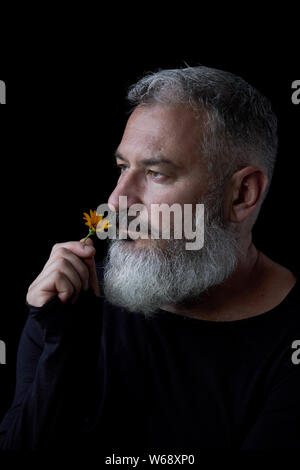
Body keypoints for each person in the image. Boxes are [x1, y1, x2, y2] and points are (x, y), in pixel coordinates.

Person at [0, 66, 299, 452]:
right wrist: (64, 349)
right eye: (123, 167)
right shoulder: (73, 303)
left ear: (242, 194)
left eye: (156, 173)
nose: (115, 202)